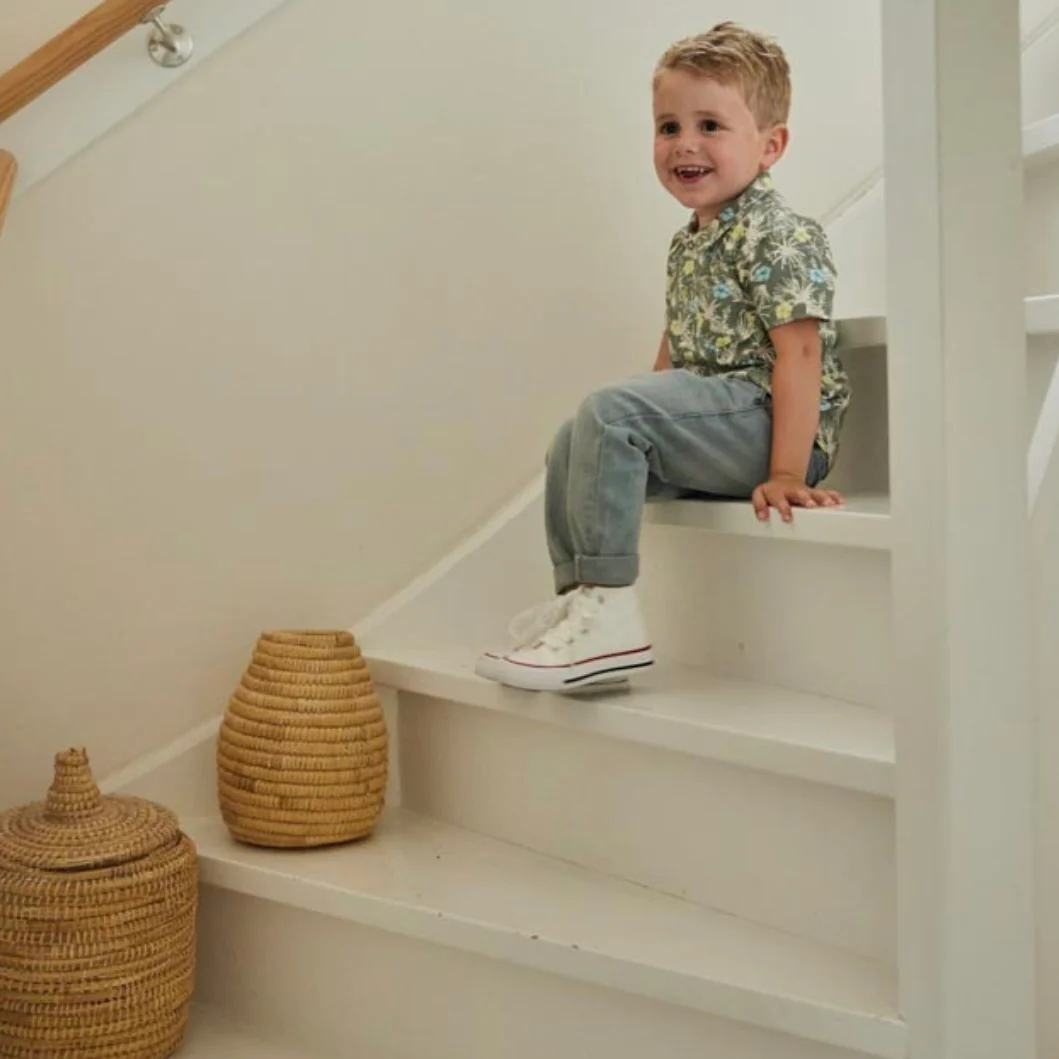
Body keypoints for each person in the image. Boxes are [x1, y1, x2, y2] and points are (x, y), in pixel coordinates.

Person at [475, 22, 850, 693]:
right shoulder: (689, 242)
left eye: (710, 125)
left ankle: (612, 610)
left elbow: (800, 353)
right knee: (573, 439)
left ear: (770, 146)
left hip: (768, 423)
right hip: (713, 421)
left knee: (609, 413)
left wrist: (787, 469)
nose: (685, 144)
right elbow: (675, 347)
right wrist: (640, 417)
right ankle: (582, 604)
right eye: (668, 126)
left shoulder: (779, 232)